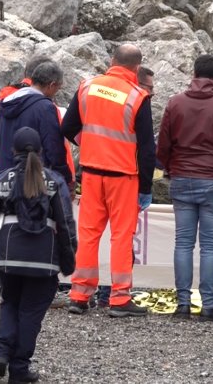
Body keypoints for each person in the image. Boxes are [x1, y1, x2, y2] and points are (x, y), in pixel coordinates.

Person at [0, 127, 76, 383]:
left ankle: (2, 353)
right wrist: (68, 260)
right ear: (41, 151)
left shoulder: (2, 180)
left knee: (10, 303)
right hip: (43, 260)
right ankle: (19, 368)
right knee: (31, 313)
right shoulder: (55, 181)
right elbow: (65, 224)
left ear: (12, 151)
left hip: (8, 257)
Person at [61, 44, 156, 318]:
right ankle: (119, 298)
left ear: (111, 61)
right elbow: (147, 148)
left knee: (89, 235)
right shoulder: (138, 96)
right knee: (121, 238)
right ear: (137, 68)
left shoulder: (87, 87)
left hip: (91, 174)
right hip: (124, 178)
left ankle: (79, 295)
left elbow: (67, 127)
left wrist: (90, 144)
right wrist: (146, 188)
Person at [156, 54, 213, 322]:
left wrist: (170, 168)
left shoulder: (175, 102)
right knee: (210, 246)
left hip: (182, 176)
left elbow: (164, 145)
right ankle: (208, 305)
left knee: (183, 242)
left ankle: (182, 304)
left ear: (194, 73)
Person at [0, 55, 74, 193]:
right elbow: (54, 148)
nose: (55, 93)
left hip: (5, 179)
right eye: (57, 88)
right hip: (34, 183)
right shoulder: (45, 108)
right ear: (51, 85)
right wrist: (65, 180)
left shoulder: (4, 105)